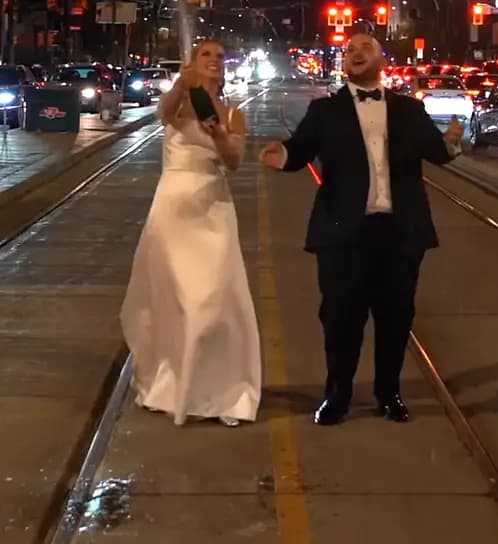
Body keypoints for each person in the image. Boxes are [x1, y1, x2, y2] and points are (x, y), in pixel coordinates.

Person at [260, 33, 463, 426]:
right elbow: (298, 150)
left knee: (396, 317)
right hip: (343, 233)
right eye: (350, 49)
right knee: (340, 318)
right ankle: (337, 395)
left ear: (382, 60)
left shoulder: (408, 109)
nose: (356, 53)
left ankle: (390, 394)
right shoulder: (324, 111)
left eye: (365, 47)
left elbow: (436, 153)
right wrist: (280, 155)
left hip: (400, 231)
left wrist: (452, 143)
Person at [121, 39, 261, 427]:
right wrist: (182, 84)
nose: (214, 61)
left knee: (213, 300)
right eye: (206, 55)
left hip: (213, 209)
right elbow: (163, 114)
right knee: (175, 300)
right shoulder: (180, 102)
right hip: (172, 210)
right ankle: (170, 383)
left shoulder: (233, 114)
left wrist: (218, 135)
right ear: (192, 63)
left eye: (219, 56)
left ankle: (222, 392)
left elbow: (233, 162)